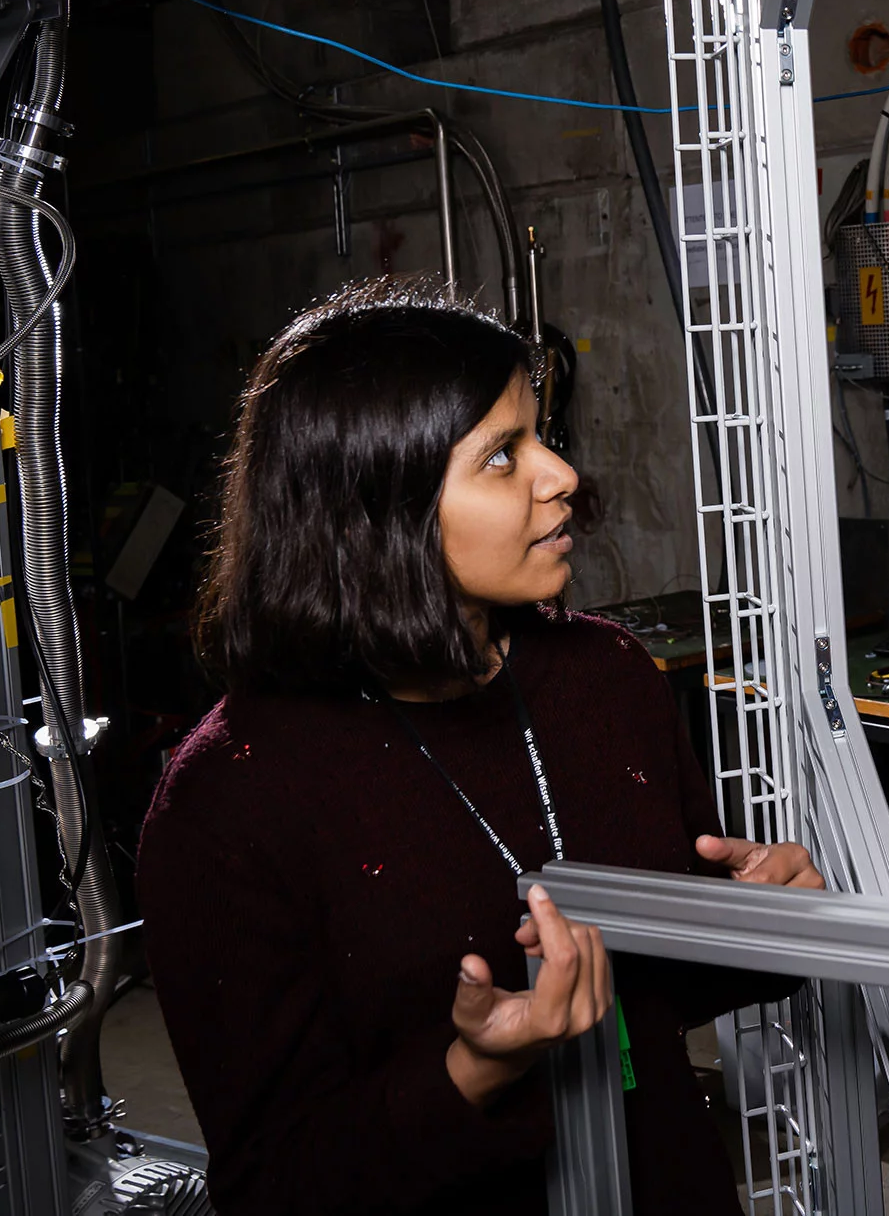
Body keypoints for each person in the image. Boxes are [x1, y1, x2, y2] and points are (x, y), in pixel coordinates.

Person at [138, 280, 813, 1214]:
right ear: (376, 508)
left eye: (541, 433)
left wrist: (761, 925)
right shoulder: (230, 798)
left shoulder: (606, 677)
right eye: (503, 455)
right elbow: (276, 1181)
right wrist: (473, 1072)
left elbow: (651, 998)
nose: (561, 474)